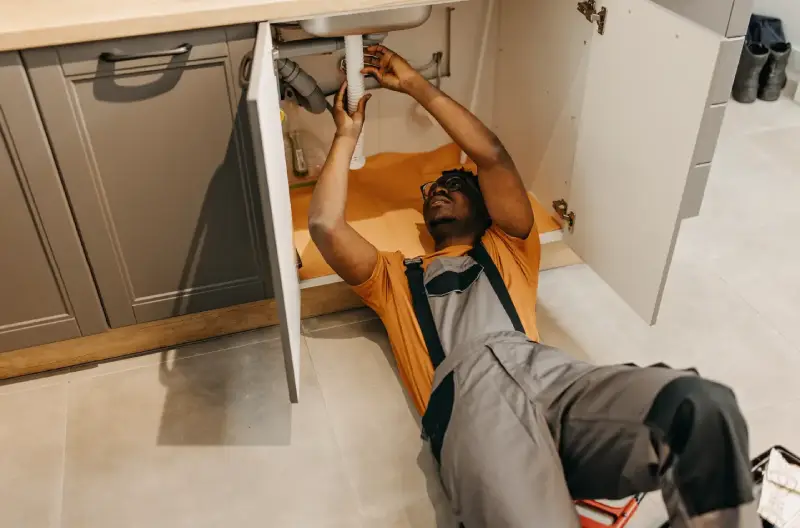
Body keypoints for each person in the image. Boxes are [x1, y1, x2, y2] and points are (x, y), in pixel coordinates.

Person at [307, 44, 759, 528]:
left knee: (699, 408)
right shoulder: (394, 278)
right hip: (469, 405)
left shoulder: (510, 247)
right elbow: (326, 226)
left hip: (549, 375)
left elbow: (492, 155)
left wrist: (416, 85)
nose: (439, 188)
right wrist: (347, 134)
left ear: (487, 207)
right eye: (433, 189)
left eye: (457, 183)